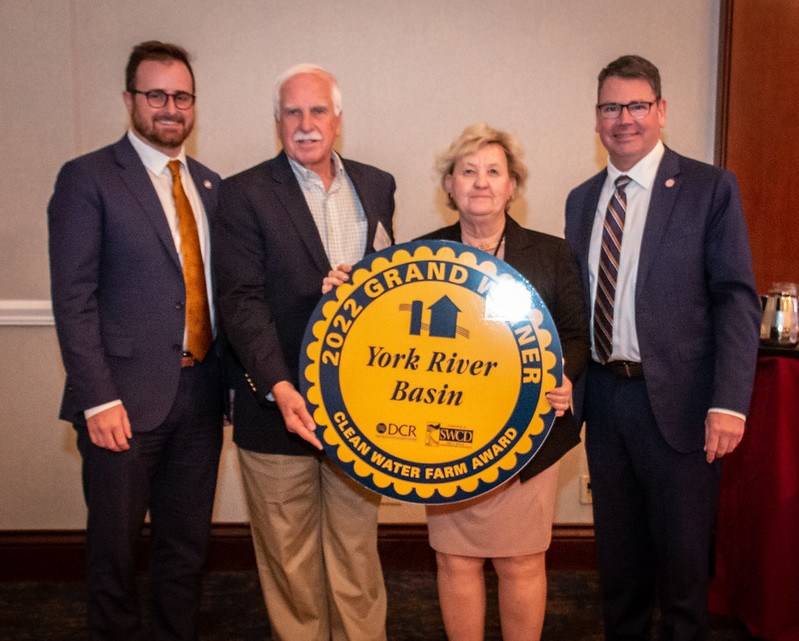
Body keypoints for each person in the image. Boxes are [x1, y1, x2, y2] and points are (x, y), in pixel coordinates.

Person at [327, 123, 590, 641]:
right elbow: (383, 337)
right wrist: (345, 291)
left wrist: (565, 374)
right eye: (467, 171)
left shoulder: (552, 253)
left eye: (494, 171)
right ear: (449, 184)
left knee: (521, 563)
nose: (481, 182)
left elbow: (578, 336)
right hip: (444, 443)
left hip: (530, 441)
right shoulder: (418, 257)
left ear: (513, 184)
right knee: (456, 563)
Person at [564, 55, 762, 641]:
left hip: (681, 405)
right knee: (619, 567)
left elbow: (736, 299)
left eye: (637, 105)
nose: (623, 118)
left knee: (681, 572)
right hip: (604, 401)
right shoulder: (581, 199)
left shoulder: (709, 188)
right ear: (597, 117)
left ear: (661, 111)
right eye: (610, 107)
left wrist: (730, 402)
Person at [212, 64, 395, 641]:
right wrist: (279, 386)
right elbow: (241, 303)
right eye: (293, 112)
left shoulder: (378, 184)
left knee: (357, 556)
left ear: (337, 119)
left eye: (318, 111)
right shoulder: (243, 194)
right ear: (278, 122)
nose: (306, 124)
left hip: (358, 410)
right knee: (290, 564)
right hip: (276, 408)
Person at [47, 41, 224, 640]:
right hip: (121, 405)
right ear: (129, 100)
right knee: (114, 558)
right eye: (156, 95)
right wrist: (97, 399)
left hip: (200, 400)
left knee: (184, 553)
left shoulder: (208, 184)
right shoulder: (88, 178)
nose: (170, 108)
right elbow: (73, 299)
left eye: (181, 96)